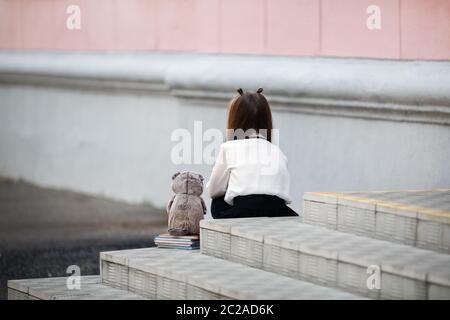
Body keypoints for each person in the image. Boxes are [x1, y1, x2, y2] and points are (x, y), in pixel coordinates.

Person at [206, 88, 298, 219]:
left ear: (234, 120)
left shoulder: (228, 147)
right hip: (278, 212)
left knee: (217, 202)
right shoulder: (278, 151)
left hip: (243, 212)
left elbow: (213, 191)